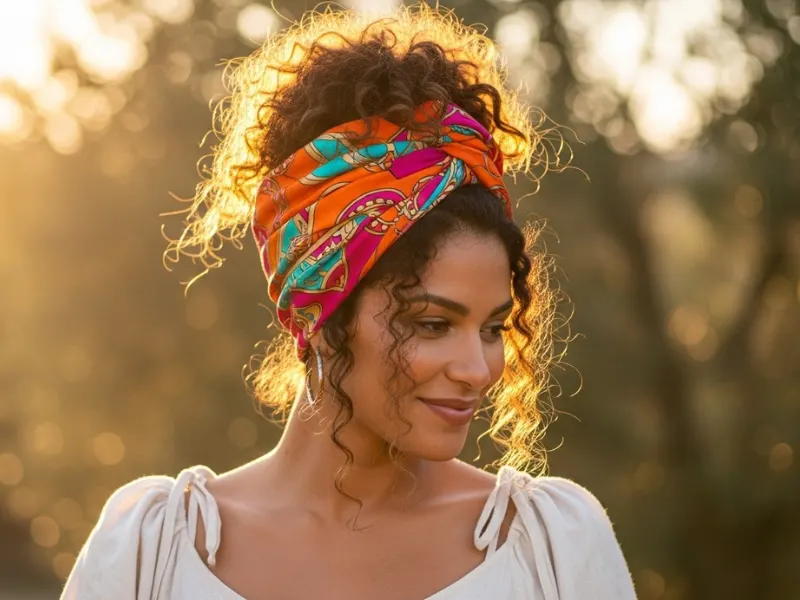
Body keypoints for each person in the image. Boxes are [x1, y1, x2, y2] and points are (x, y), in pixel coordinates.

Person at [61, 4, 637, 599]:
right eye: (432, 323)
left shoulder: (550, 547)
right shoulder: (153, 551)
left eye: (492, 328)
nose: (477, 369)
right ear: (321, 314)